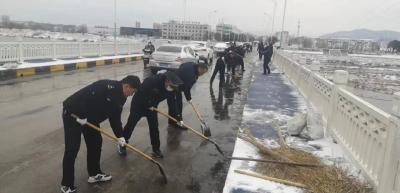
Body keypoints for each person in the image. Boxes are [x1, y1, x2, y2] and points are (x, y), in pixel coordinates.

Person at [61, 75, 141, 193]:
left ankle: (94, 174)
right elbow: (84, 98)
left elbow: (115, 118)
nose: (132, 95)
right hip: (73, 114)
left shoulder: (122, 97)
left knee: (96, 143)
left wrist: (120, 136)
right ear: (126, 86)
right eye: (132, 91)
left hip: (90, 118)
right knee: (72, 149)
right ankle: (66, 185)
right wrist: (82, 116)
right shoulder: (105, 86)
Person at [119, 72, 182, 158]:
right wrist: (148, 104)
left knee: (154, 127)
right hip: (139, 104)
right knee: (131, 124)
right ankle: (122, 143)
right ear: (167, 81)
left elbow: (173, 103)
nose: (173, 88)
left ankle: (156, 149)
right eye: (172, 85)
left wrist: (178, 117)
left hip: (152, 107)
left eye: (175, 86)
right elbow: (140, 92)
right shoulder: (152, 81)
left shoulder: (173, 89)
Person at [167, 63, 208, 127]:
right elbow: (187, 88)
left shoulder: (191, 65)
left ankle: (172, 122)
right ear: (200, 68)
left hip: (176, 84)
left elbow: (182, 65)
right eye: (202, 72)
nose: (202, 75)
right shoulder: (191, 75)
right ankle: (178, 123)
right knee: (177, 105)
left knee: (174, 104)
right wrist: (189, 98)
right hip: (173, 85)